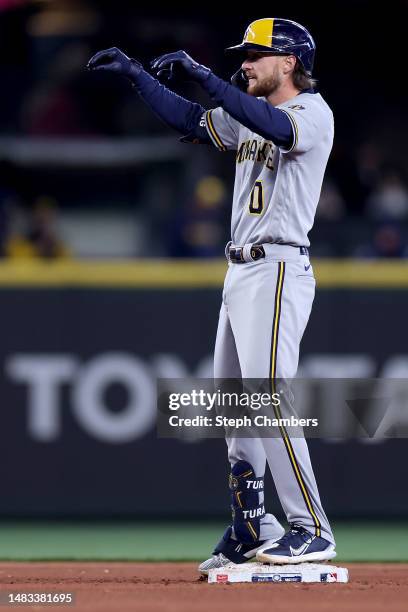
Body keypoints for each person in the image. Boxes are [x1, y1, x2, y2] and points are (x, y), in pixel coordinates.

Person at [87, 17, 336, 572]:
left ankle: (311, 528)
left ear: (289, 62)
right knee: (236, 410)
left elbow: (269, 123)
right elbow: (194, 121)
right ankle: (251, 525)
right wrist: (138, 78)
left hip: (276, 267)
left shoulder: (310, 114)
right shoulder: (253, 113)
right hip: (240, 270)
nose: (244, 62)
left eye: (256, 54)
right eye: (242, 54)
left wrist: (202, 73)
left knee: (268, 398)